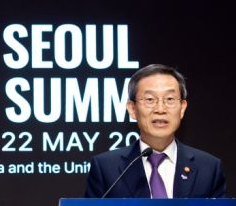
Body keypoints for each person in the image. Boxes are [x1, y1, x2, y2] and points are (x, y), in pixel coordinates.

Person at [85, 64, 226, 198]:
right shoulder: (106, 168)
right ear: (132, 109)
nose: (160, 109)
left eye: (169, 99)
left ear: (182, 108)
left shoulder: (208, 168)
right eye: (149, 99)